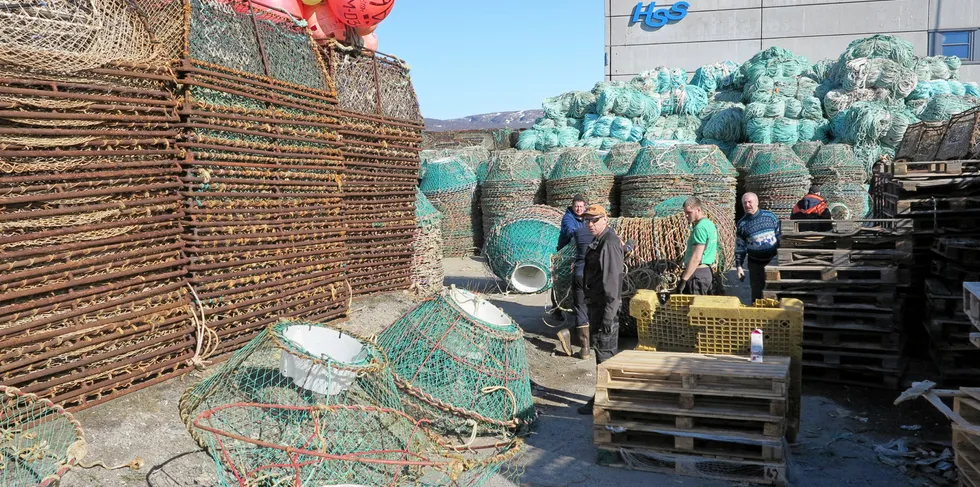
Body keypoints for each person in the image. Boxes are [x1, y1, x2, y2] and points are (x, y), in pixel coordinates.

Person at [577, 204, 624, 415]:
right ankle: (603, 397)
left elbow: (613, 282)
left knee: (606, 356)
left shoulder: (609, 242)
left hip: (606, 309)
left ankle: (606, 401)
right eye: (587, 220)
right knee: (601, 355)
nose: (590, 223)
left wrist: (608, 316)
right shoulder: (600, 241)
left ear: (605, 220)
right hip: (597, 306)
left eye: (594, 220)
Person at [555, 196, 593, 358]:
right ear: (572, 207)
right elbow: (570, 232)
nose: (578, 209)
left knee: (580, 304)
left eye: (581, 206)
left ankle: (583, 345)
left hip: (579, 268)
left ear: (585, 207)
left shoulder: (585, 225)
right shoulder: (568, 219)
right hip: (567, 256)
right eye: (576, 206)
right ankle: (557, 309)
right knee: (562, 287)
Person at [736, 192, 782, 303]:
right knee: (757, 292)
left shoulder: (770, 217)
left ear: (757, 202)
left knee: (775, 290)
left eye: (749, 202)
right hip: (755, 264)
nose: (747, 205)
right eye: (744, 203)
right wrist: (739, 266)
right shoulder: (742, 224)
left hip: (773, 261)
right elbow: (740, 247)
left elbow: (780, 236)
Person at [676, 197, 718, 295]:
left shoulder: (700, 228)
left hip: (697, 275)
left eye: (689, 212)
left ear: (698, 210)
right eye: (685, 213)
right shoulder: (709, 224)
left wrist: (683, 280)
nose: (686, 215)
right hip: (706, 273)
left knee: (694, 309)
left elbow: (696, 257)